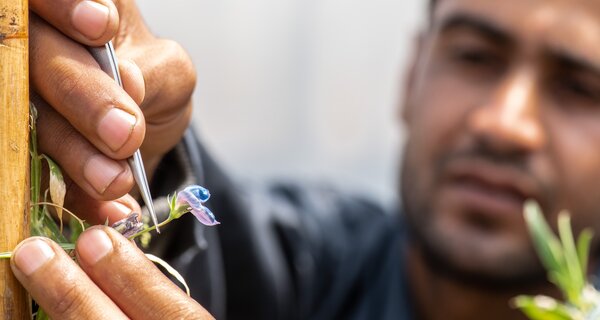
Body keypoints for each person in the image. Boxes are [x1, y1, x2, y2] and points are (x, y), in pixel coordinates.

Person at [10, 0, 600, 319]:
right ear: (412, 74)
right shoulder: (312, 267)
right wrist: (145, 158)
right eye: (475, 56)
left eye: (579, 89)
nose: (503, 122)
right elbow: (231, 250)